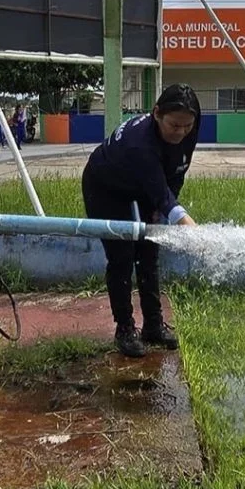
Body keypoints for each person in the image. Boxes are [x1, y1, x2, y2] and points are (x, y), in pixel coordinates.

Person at [81, 83, 200, 358]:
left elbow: (177, 171)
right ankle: (124, 328)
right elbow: (159, 190)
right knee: (122, 256)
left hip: (145, 182)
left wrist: (168, 206)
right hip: (106, 186)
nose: (181, 132)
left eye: (187, 126)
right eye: (174, 125)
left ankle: (153, 326)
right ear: (157, 113)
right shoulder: (139, 143)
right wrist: (183, 220)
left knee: (149, 250)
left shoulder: (189, 126)